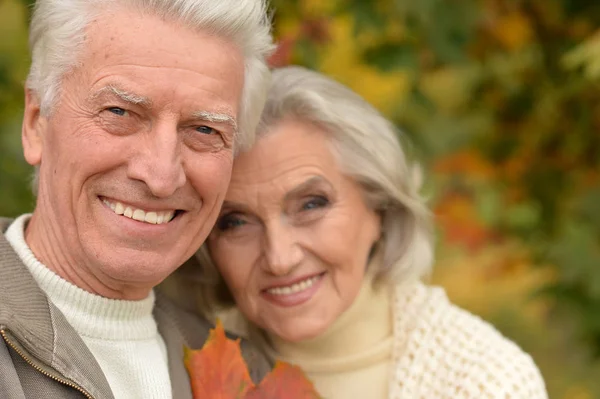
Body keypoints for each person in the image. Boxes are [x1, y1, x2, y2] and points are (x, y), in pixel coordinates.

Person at [192, 66, 549, 399]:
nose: (280, 259)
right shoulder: (180, 356)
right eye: (235, 221)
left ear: (380, 207)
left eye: (312, 205)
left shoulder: (487, 382)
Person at [0, 0, 274, 398]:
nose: (161, 176)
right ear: (36, 123)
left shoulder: (248, 378)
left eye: (203, 130)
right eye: (120, 112)